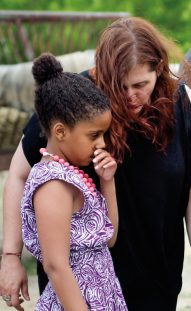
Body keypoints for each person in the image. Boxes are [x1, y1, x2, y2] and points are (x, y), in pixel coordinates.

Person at [0, 17, 191, 311]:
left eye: (141, 84)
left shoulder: (183, 102)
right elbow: (18, 175)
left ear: (160, 70)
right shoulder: (75, 103)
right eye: (119, 86)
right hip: (76, 291)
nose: (129, 96)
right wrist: (11, 257)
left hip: (157, 280)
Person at [22, 53, 126, 310]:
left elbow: (109, 238)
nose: (101, 143)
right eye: (94, 135)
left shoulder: (73, 175)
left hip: (101, 296)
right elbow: (55, 264)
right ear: (60, 131)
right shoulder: (52, 184)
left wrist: (107, 183)